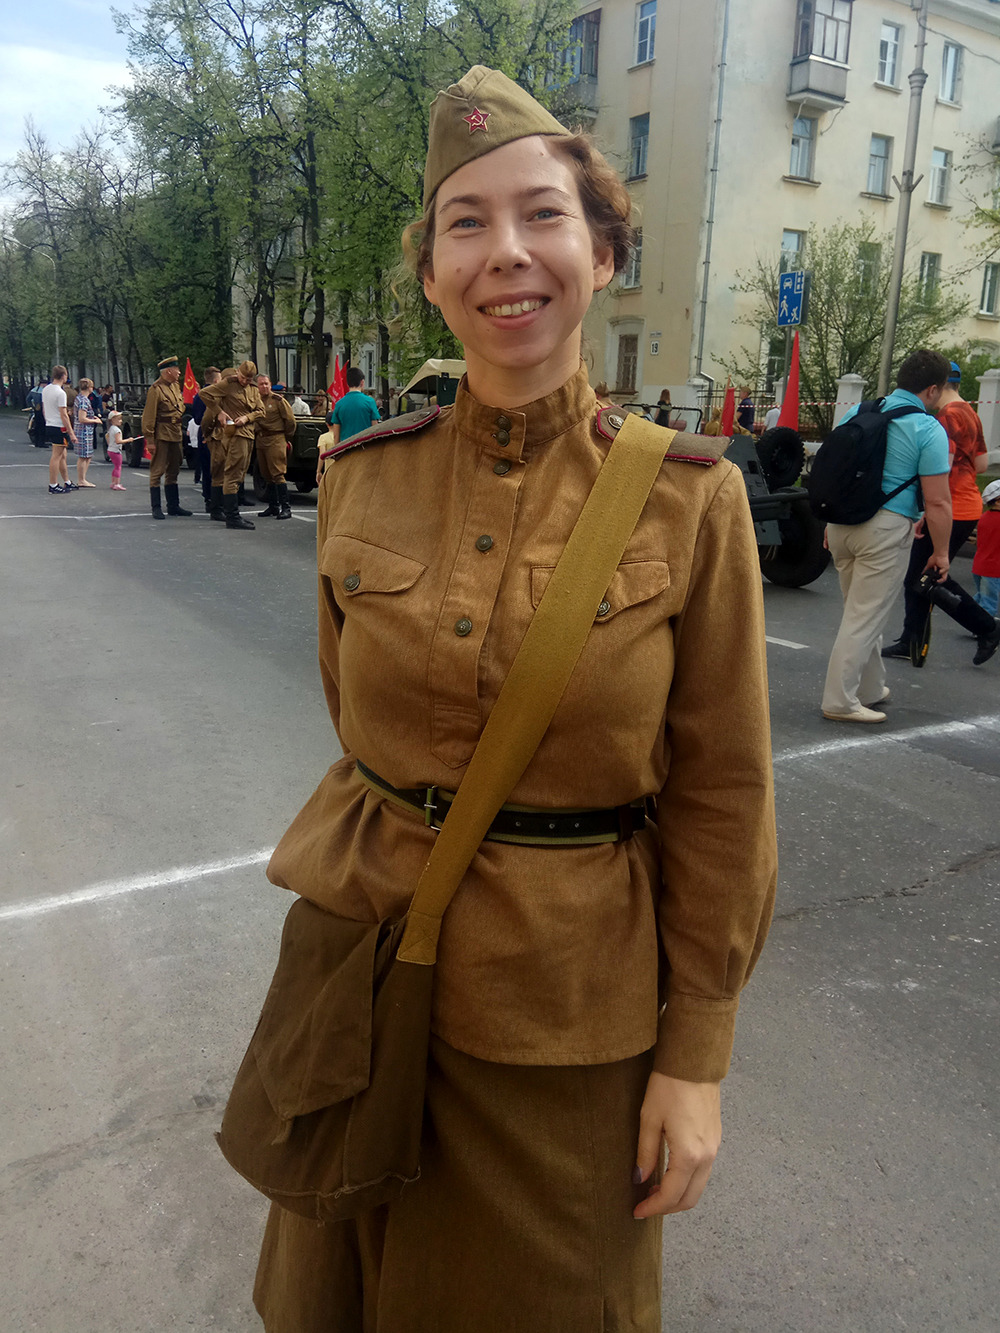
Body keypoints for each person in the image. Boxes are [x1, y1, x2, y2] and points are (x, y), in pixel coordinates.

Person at [249, 64, 776, 1333]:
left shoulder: (690, 499)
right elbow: (355, 718)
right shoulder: (360, 478)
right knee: (340, 1300)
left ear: (600, 251)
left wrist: (693, 1057)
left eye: (542, 215)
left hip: (559, 1021)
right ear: (431, 273)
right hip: (360, 976)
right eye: (466, 223)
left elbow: (722, 795)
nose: (506, 253)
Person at [821, 350, 952, 723]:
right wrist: (941, 553)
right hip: (885, 529)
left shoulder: (859, 412)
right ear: (931, 389)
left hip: (841, 525)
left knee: (861, 612)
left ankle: (870, 687)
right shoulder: (926, 429)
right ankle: (839, 701)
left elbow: (833, 471)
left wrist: (828, 526)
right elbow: (939, 502)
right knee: (865, 616)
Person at [881, 360, 999, 667]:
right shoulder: (971, 414)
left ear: (938, 386)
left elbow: (940, 468)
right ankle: (912, 640)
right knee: (920, 577)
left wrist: (925, 511)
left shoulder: (946, 418)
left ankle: (988, 627)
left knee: (930, 577)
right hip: (968, 504)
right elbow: (983, 465)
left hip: (950, 506)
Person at [198, 361, 265, 530]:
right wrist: (218, 412)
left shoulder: (253, 389)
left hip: (248, 434)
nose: (245, 381)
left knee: (238, 474)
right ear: (238, 373)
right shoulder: (228, 385)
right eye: (242, 377)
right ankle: (232, 516)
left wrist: (247, 418)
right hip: (234, 435)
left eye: (249, 379)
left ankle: (228, 513)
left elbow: (261, 411)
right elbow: (204, 394)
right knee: (231, 475)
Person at [141, 355, 191, 520]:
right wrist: (150, 440)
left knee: (174, 469)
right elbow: (149, 416)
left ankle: (173, 506)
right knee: (157, 471)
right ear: (169, 371)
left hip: (175, 432)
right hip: (162, 434)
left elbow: (180, 406)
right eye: (177, 369)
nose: (179, 372)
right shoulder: (156, 389)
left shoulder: (175, 386)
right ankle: (156, 507)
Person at [315, 367, 381, 484]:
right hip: (365, 452)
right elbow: (374, 430)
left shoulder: (339, 404)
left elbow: (336, 435)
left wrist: (338, 453)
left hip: (346, 452)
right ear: (362, 382)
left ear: (347, 383)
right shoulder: (370, 402)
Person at [254, 373, 296, 519]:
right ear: (257, 386)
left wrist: (285, 437)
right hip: (261, 440)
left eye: (266, 383)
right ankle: (273, 506)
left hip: (275, 438)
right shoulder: (255, 400)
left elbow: (290, 421)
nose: (264, 386)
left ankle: (286, 508)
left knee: (278, 474)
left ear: (270, 385)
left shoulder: (278, 400)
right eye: (261, 384)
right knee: (266, 474)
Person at [43, 366, 78, 493]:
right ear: (63, 376)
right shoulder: (60, 392)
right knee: (56, 456)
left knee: (62, 455)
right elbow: (63, 414)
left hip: (50, 423)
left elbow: (44, 408)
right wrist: (71, 432)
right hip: (59, 426)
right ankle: (53, 484)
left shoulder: (46, 389)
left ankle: (67, 481)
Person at [192, 367, 222, 515]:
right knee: (213, 469)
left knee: (208, 469)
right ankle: (213, 501)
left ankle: (209, 500)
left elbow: (195, 418)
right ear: (216, 380)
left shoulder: (198, 396)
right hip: (209, 433)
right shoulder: (212, 395)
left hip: (204, 433)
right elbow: (200, 419)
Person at [973, 479, 1000, 617]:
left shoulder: (984, 517)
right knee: (989, 602)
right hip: (993, 569)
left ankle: (969, 617)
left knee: (981, 597)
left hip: (979, 565)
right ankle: (985, 630)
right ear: (997, 501)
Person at [72, 378, 102, 487]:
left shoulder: (79, 398)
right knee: (84, 456)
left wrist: (91, 416)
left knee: (87, 456)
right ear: (89, 387)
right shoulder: (84, 400)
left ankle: (83, 478)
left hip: (83, 430)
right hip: (83, 431)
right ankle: (81, 479)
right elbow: (82, 418)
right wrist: (95, 420)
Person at [106, 411, 136, 490]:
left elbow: (108, 438)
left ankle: (113, 482)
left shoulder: (111, 428)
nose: (121, 421)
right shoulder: (117, 431)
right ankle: (117, 483)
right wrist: (128, 440)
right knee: (118, 467)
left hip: (110, 450)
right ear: (112, 420)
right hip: (116, 451)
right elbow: (118, 441)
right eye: (119, 419)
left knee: (115, 467)